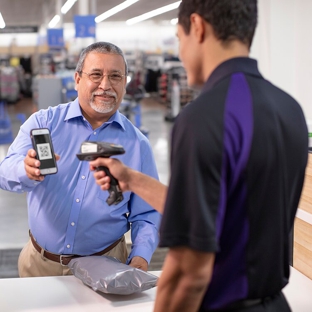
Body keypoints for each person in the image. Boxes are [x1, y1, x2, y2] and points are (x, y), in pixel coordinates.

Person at [89, 1, 309, 311]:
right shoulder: (289, 110)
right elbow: (225, 209)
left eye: (179, 39)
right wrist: (132, 180)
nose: (180, 52)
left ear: (198, 27)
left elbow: (188, 273)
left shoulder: (204, 117)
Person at [0, 42, 161, 277]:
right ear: (77, 79)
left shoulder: (137, 145)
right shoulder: (44, 123)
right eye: (96, 75)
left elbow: (146, 213)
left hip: (107, 265)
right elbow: (4, 171)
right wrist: (25, 170)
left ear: (125, 83)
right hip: (39, 264)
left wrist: (140, 255)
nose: (105, 85)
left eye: (115, 76)